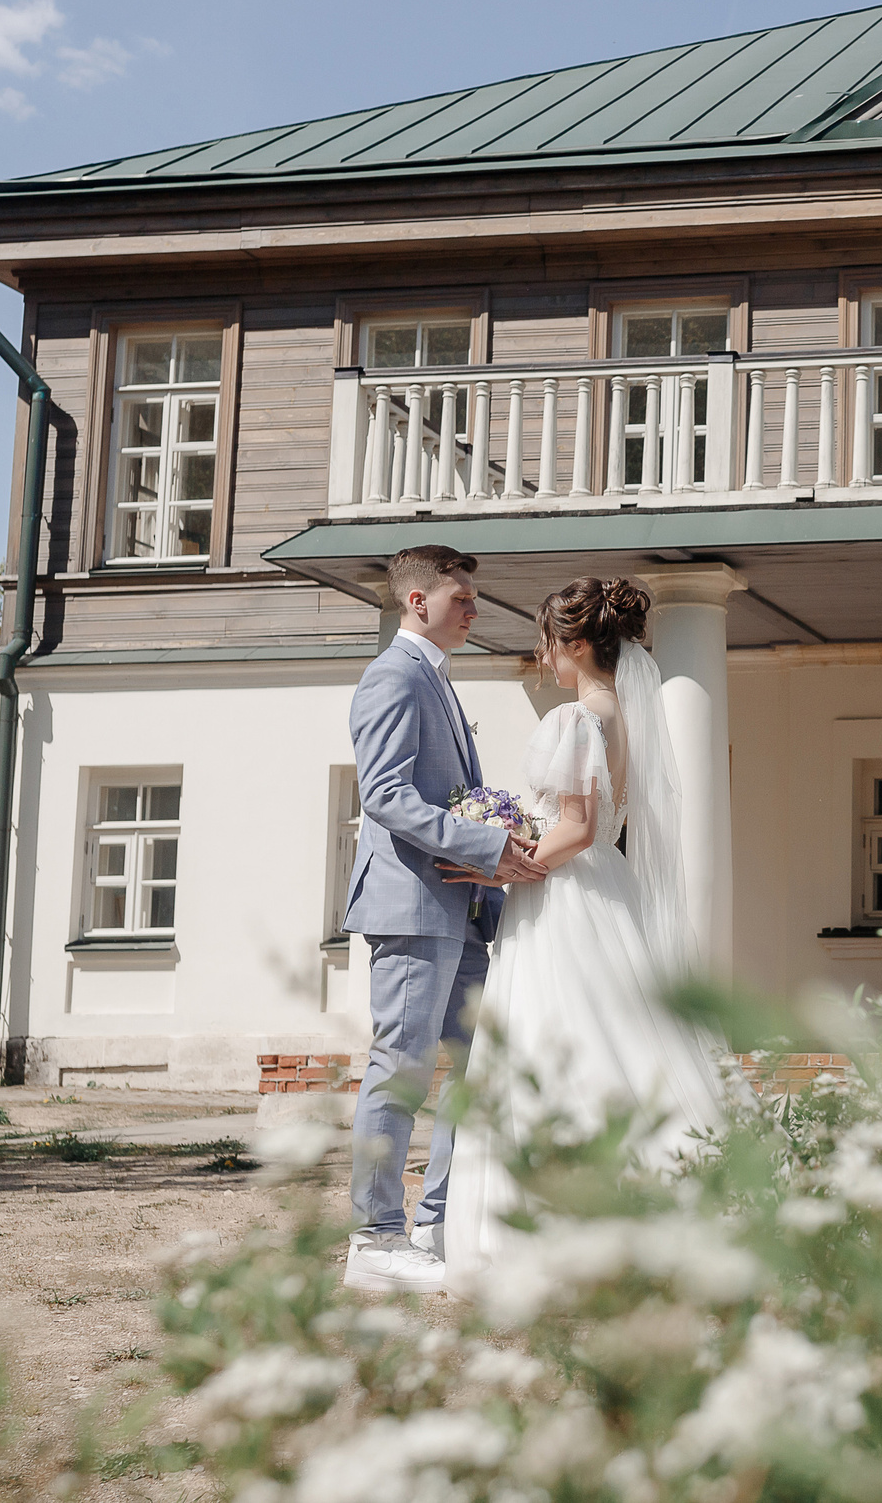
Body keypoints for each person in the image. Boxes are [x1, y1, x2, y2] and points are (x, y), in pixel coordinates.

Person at [436, 576, 725, 1285]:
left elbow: (579, 825)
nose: (543, 655)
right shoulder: (622, 714)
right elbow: (599, 826)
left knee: (553, 1038)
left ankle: (552, 1232)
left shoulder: (573, 718)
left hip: (562, 897)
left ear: (572, 642)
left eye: (546, 641)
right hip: (607, 892)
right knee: (618, 1037)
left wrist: (504, 864)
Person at [341, 545, 549, 1295]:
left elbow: (445, 795)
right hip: (410, 904)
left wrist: (497, 841)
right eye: (461, 598)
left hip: (459, 907)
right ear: (416, 601)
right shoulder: (392, 677)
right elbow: (387, 795)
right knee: (400, 1066)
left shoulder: (437, 681)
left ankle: (437, 1218)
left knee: (471, 1067)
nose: (473, 610)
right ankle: (374, 1236)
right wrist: (490, 843)